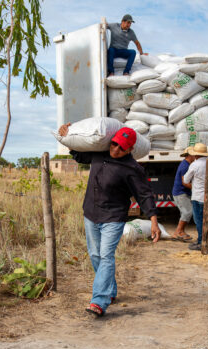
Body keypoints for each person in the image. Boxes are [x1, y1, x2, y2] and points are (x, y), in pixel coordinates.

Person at [58, 123, 161, 317]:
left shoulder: (133, 168)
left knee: (106, 256)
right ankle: (110, 290)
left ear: (130, 149)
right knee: (95, 255)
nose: (115, 149)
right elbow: (80, 155)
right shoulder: (99, 154)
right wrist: (68, 136)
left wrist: (153, 220)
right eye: (114, 144)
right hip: (90, 213)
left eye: (122, 147)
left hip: (113, 217)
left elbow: (144, 195)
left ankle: (99, 300)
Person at [182, 143, 208, 251]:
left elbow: (185, 180)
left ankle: (200, 242)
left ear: (195, 155)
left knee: (199, 221)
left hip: (198, 196)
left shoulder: (194, 165)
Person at [171, 146, 196, 242]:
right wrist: (196, 189)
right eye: (195, 154)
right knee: (188, 212)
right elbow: (185, 182)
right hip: (180, 193)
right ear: (190, 155)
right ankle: (178, 232)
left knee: (185, 213)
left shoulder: (186, 164)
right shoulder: (185, 166)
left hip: (181, 193)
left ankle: (179, 232)